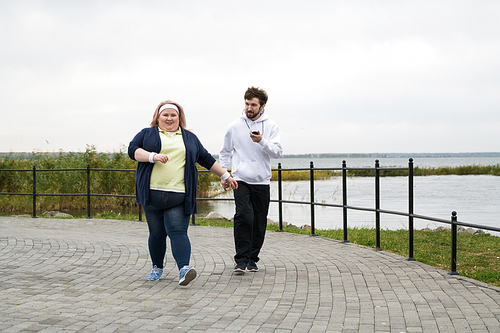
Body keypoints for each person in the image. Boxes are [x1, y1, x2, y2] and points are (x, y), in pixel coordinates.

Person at [128, 100, 237, 285]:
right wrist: (152, 156)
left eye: (173, 115)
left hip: (178, 195)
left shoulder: (189, 137)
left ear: (179, 118)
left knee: (178, 231)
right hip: (152, 194)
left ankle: (184, 269)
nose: (169, 118)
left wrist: (226, 175)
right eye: (165, 115)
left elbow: (206, 158)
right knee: (157, 234)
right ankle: (157, 267)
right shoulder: (147, 134)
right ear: (158, 117)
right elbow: (133, 151)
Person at [219, 87, 283, 273]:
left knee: (259, 221)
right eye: (247, 104)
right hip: (240, 179)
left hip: (261, 180)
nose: (249, 108)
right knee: (244, 216)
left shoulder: (272, 126)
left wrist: (262, 141)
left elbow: (278, 152)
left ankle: (252, 259)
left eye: (253, 105)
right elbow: (225, 153)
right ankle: (240, 260)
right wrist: (225, 175)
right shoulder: (234, 126)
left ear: (262, 106)